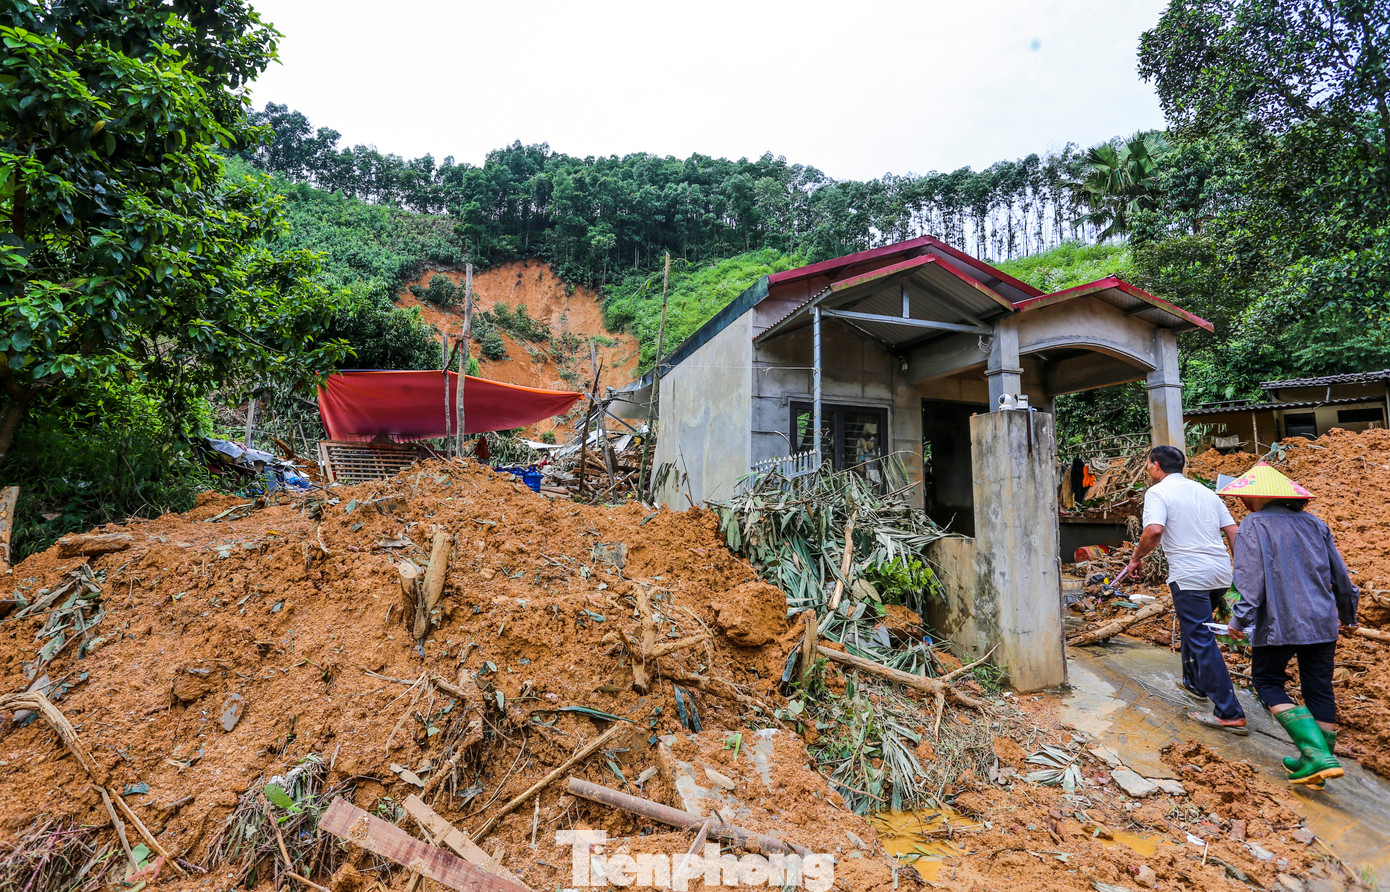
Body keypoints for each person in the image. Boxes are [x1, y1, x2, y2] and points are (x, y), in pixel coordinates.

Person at [1218, 463, 1359, 787]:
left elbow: (1249, 579)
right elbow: (1341, 577)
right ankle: (1316, 764)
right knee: (1318, 689)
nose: (1242, 503)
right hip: (1322, 623)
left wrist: (1239, 619)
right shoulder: (1315, 523)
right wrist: (1348, 614)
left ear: (1260, 497)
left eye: (1245, 497)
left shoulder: (1254, 524)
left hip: (1280, 622)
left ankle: (1318, 756)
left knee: (1267, 681)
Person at [1125, 445, 1246, 733]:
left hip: (1190, 576)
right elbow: (1233, 532)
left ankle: (1229, 713)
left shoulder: (1157, 493)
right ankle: (1194, 684)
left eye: (1148, 464)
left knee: (1201, 638)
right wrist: (1241, 570)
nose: (1147, 469)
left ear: (1156, 466)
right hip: (1219, 573)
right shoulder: (1206, 492)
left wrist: (1136, 557)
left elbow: (1154, 531)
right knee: (1197, 629)